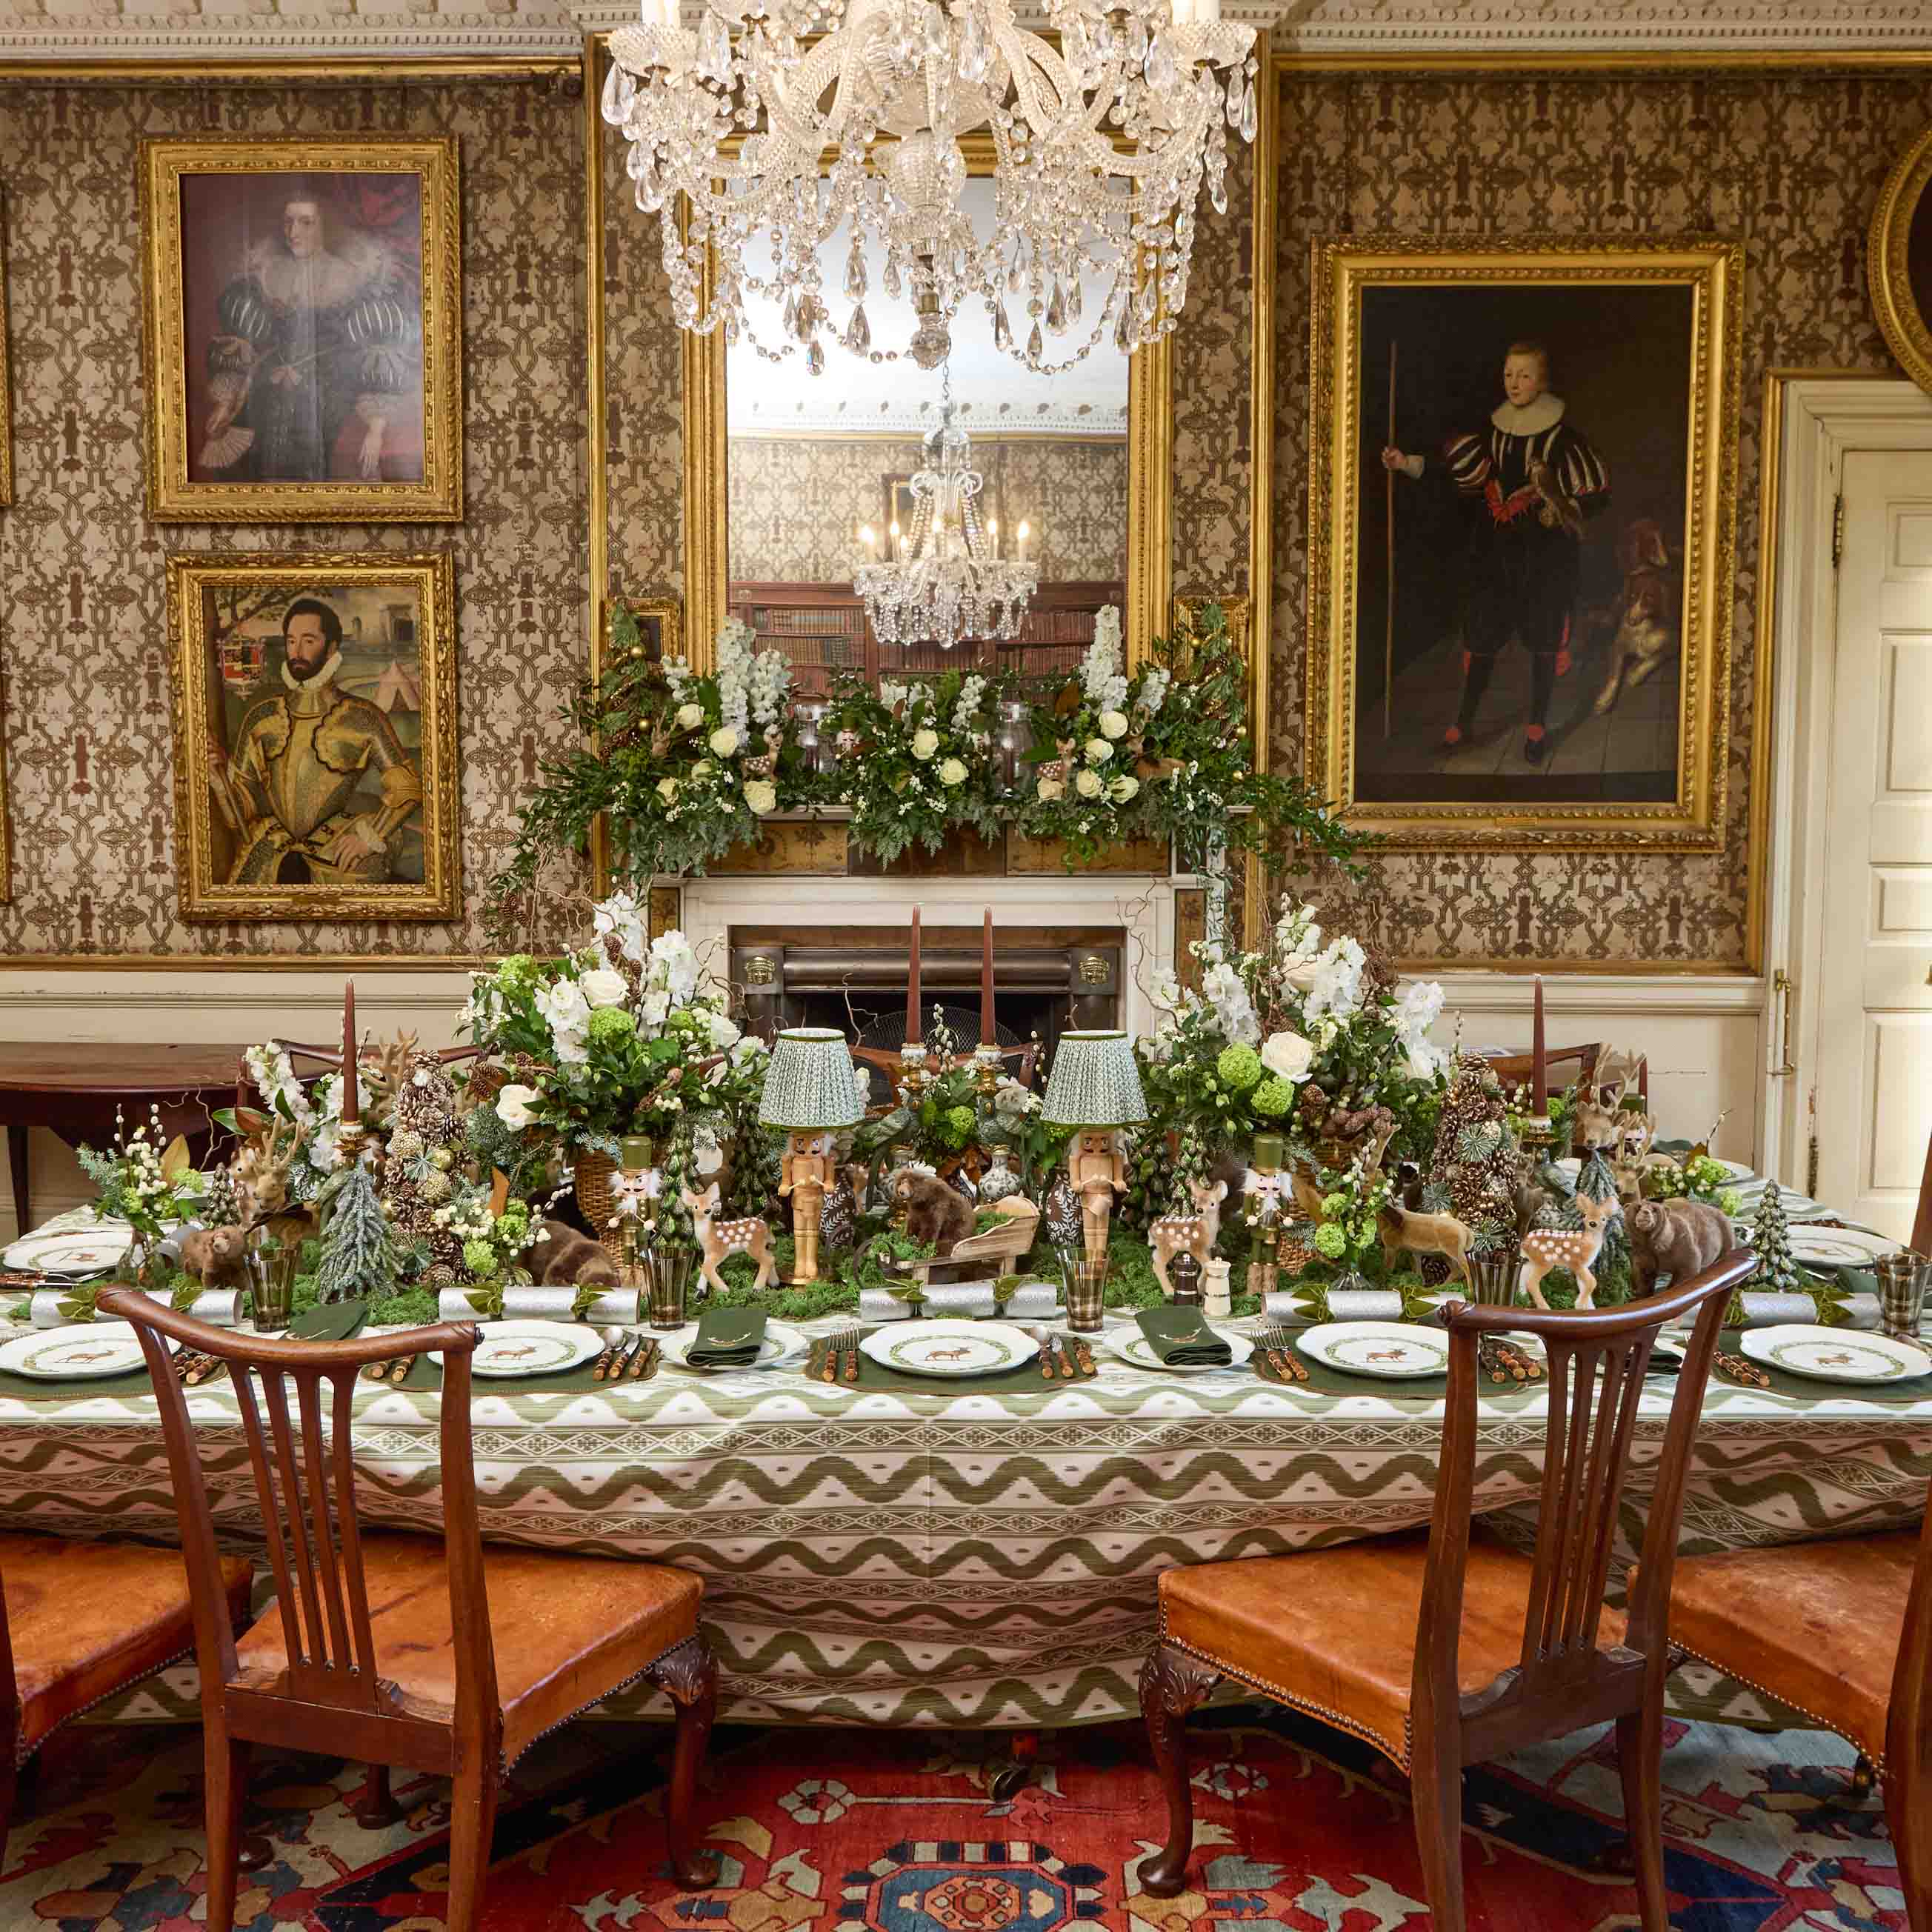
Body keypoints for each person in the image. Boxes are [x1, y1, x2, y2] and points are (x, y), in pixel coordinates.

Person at [1382, 339, 1609, 765]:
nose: (1515, 383)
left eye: (1525, 375)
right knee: (1484, 636)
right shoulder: (1493, 431)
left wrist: (1560, 507)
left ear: (1543, 381)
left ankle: (1537, 726)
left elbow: (1595, 493)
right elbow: (1455, 471)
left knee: (1543, 639)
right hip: (1494, 553)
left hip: (1544, 557)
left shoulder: (1564, 438)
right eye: (1509, 374)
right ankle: (1464, 721)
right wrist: (1405, 463)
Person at [199, 187, 421, 484]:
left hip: (335, 390)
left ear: (326, 227)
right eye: (288, 222)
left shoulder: (353, 279)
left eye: (306, 222)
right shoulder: (267, 275)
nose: (293, 232)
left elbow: (377, 350)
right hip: (268, 390)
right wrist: (227, 402)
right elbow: (242, 340)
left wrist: (377, 426)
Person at [210, 596, 422, 887]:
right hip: (272, 853)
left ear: (331, 647)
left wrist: (370, 837)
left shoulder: (362, 716)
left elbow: (407, 787)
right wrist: (220, 782)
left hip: (335, 856)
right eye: (291, 640)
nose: (296, 651)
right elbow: (241, 814)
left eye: (308, 641)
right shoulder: (261, 716)